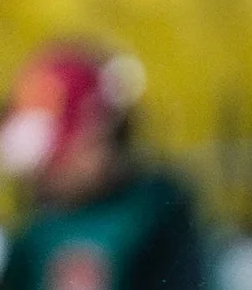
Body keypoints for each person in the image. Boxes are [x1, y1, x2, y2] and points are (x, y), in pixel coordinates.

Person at [0, 42, 207, 289]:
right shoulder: (36, 230)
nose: (44, 171)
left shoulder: (155, 215)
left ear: (100, 128)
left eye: (57, 155)